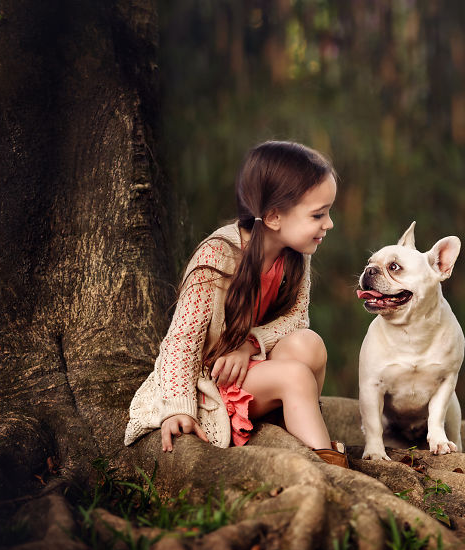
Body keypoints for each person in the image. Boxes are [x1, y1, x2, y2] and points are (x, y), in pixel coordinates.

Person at [124, 140, 348, 467]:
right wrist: (178, 408)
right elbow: (181, 340)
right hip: (215, 379)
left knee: (309, 344)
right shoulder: (218, 255)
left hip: (250, 362)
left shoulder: (296, 254)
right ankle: (328, 467)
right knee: (297, 377)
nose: (328, 224)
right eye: (318, 215)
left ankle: (292, 425)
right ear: (274, 217)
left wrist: (250, 345)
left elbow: (297, 319)